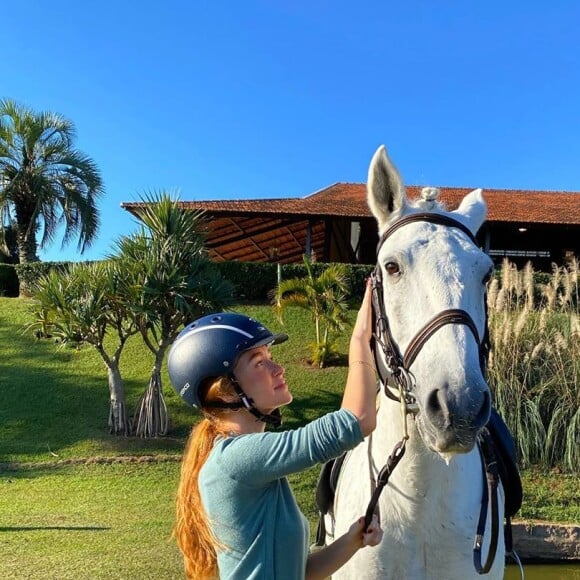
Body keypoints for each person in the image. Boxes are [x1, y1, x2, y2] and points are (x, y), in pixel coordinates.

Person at [167, 280, 382, 579]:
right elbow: (357, 420)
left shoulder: (247, 463)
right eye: (258, 362)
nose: (278, 368)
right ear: (226, 391)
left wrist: (353, 539)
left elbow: (300, 572)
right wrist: (360, 340)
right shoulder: (234, 459)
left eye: (270, 358)